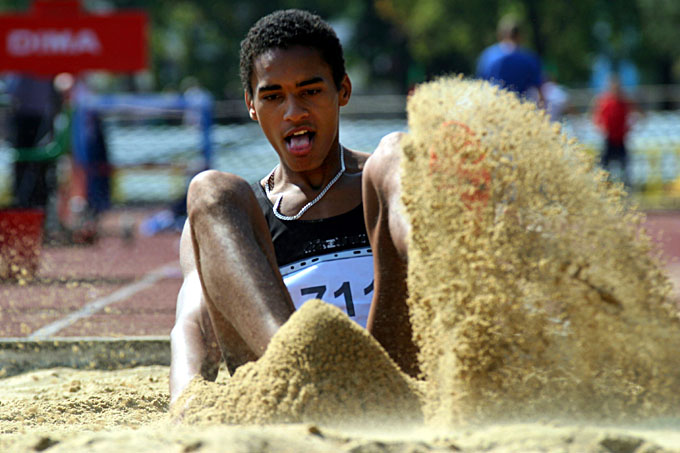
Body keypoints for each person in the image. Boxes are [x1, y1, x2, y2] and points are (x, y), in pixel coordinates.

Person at [169, 9, 417, 404]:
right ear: (251, 105)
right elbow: (193, 325)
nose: (293, 112)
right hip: (293, 391)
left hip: (399, 378)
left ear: (343, 90)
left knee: (398, 150)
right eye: (272, 96)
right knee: (209, 189)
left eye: (310, 91)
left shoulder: (387, 177)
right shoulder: (232, 220)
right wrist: (184, 411)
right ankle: (302, 370)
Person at [6, 74, 61, 209]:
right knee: (21, 163)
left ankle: (39, 204)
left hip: (42, 117)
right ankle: (22, 203)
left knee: (42, 165)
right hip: (21, 116)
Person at [476, 15, 544, 103]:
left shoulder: (487, 55)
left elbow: (479, 85)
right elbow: (539, 92)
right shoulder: (529, 58)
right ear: (520, 36)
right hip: (518, 107)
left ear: (500, 34)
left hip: (493, 105)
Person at [593, 74, 636, 186]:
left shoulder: (624, 102)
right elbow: (597, 118)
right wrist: (601, 127)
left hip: (620, 139)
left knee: (624, 166)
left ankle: (625, 187)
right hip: (610, 139)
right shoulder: (605, 101)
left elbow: (635, 114)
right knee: (604, 166)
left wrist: (629, 127)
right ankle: (604, 186)